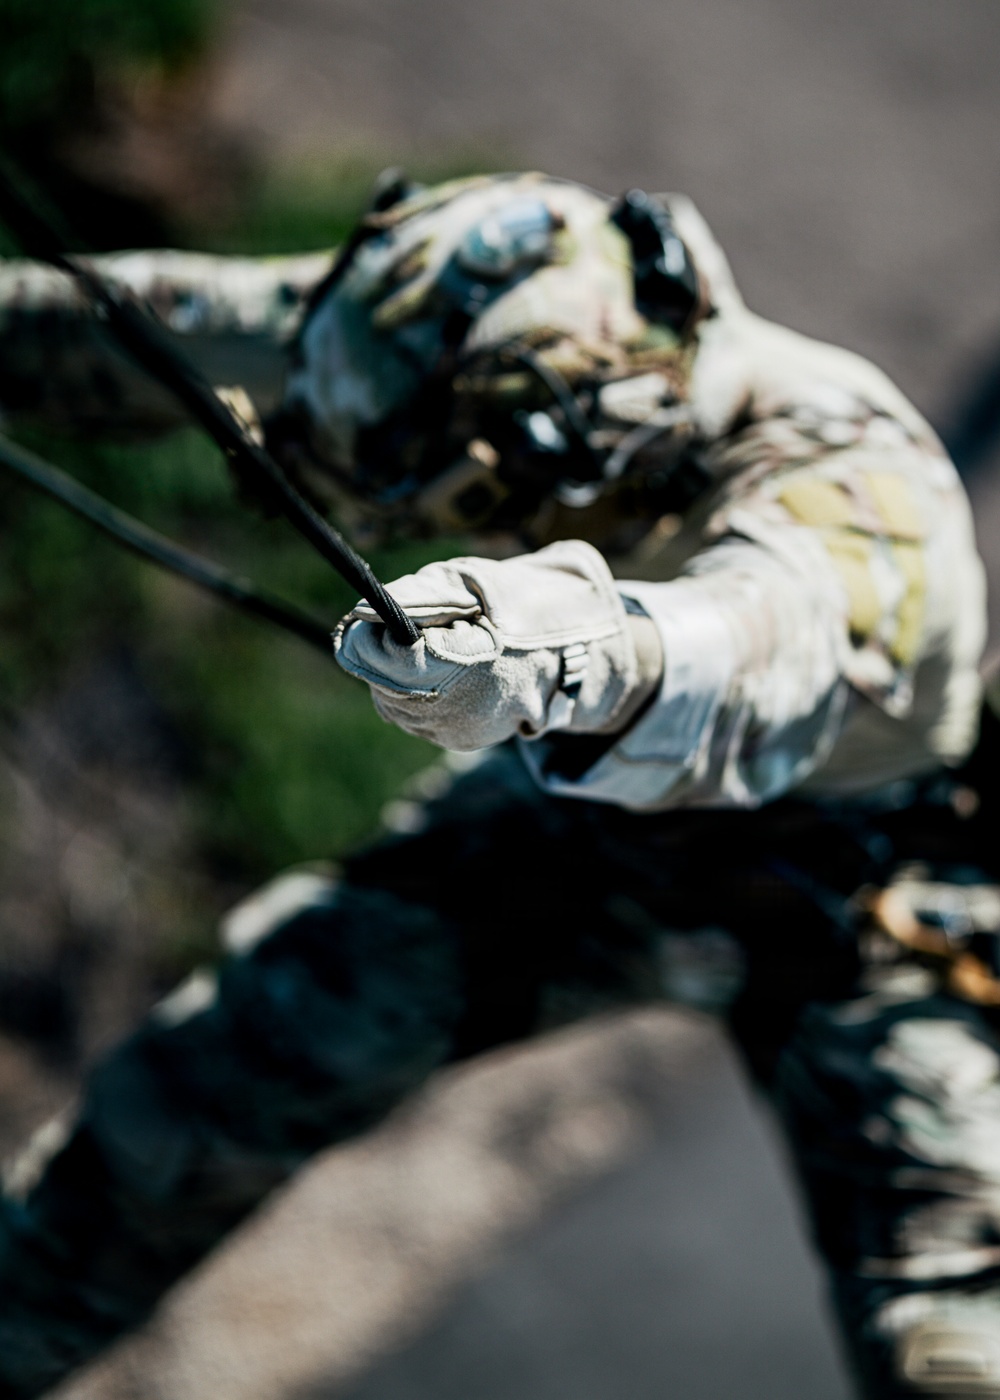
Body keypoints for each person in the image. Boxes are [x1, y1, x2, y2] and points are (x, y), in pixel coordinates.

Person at [1, 171, 999, 1400]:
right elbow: (151, 327)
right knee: (211, 1091)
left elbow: (736, 651)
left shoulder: (858, 494)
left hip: (864, 902)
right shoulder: (469, 329)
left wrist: (535, 644)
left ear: (544, 450)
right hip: (587, 828)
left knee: (954, 1348)